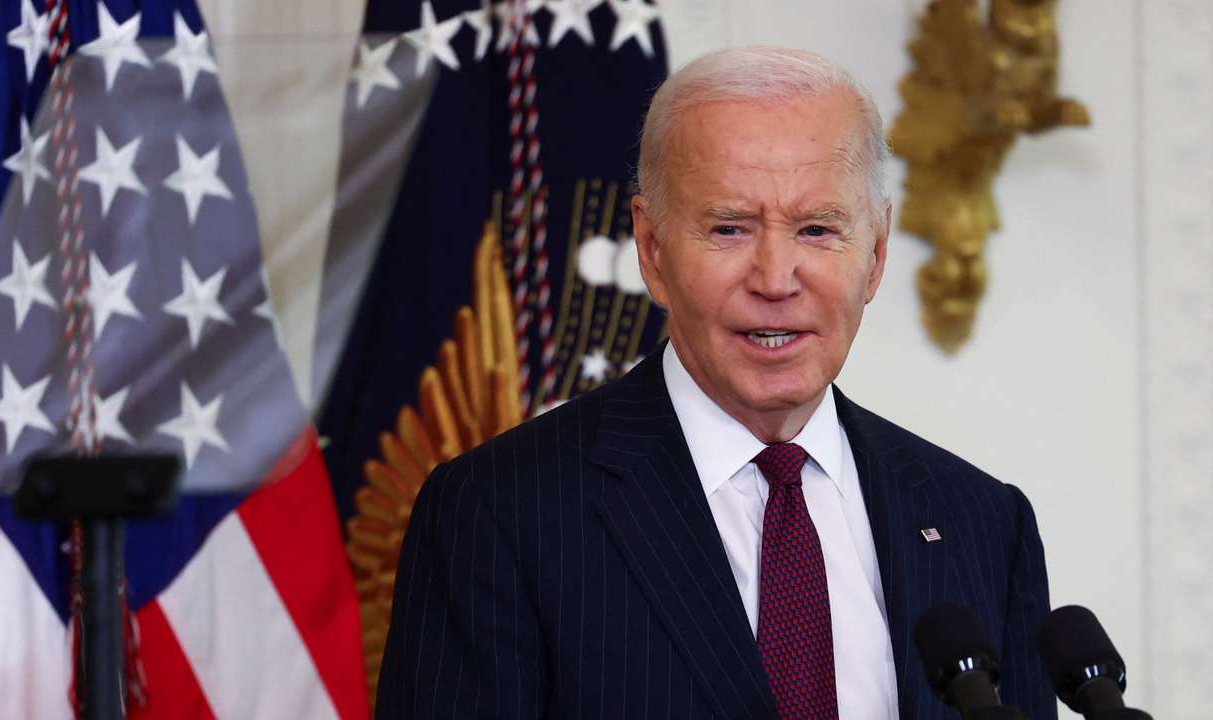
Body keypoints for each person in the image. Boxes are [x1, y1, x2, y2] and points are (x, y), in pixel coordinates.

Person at [376, 47, 1055, 720]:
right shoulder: (500, 514)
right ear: (652, 250)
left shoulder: (984, 525)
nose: (775, 278)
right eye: (729, 229)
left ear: (875, 255)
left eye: (818, 230)